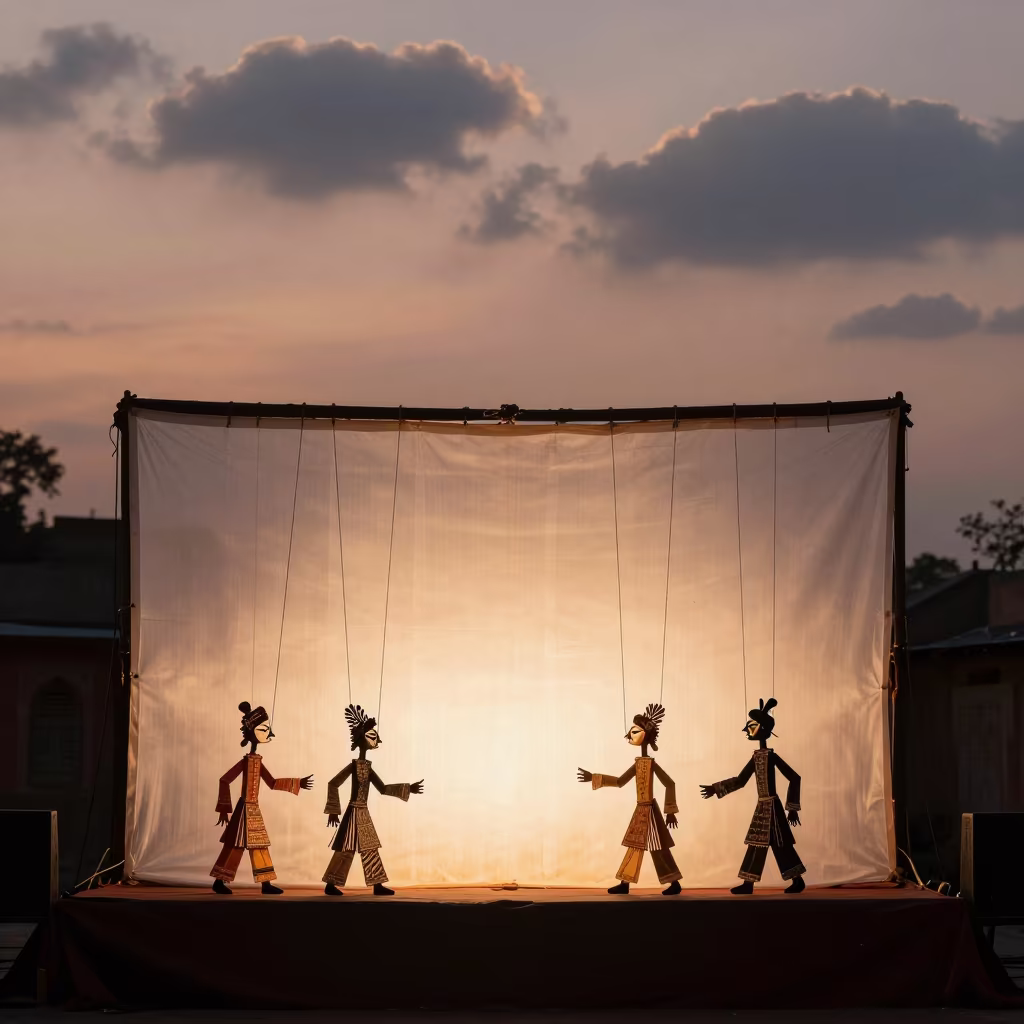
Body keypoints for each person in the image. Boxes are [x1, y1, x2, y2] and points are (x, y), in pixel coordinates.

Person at [699, 697, 806, 894]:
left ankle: (795, 879)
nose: (747, 729)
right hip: (763, 807)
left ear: (763, 729)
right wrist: (716, 788)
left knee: (779, 844)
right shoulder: (757, 757)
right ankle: (750, 883)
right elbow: (740, 780)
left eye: (752, 726)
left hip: (772, 807)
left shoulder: (771, 756)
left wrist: (792, 808)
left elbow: (794, 777)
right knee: (758, 843)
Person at [578, 703, 682, 895]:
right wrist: (593, 777)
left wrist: (670, 812)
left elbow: (670, 783)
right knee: (636, 845)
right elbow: (619, 781)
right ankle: (626, 883)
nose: (629, 735)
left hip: (650, 809)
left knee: (658, 847)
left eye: (635, 731)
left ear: (646, 735)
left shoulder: (650, 763)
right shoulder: (638, 763)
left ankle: (673, 882)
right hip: (641, 809)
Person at [210, 701, 313, 894]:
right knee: (236, 845)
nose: (270, 733)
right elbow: (224, 780)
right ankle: (220, 880)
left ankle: (265, 883)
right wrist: (224, 808)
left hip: (253, 809)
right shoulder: (246, 761)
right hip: (243, 809)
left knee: (259, 845)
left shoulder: (257, 761)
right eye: (265, 729)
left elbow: (272, 782)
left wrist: (297, 783)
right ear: (252, 732)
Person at [322, 704, 424, 895]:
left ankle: (376, 885)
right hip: (354, 811)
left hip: (363, 812)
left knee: (369, 849)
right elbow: (333, 783)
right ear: (361, 738)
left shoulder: (367, 767)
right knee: (347, 848)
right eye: (372, 735)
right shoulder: (354, 766)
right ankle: (331, 883)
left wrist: (408, 788)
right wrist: (334, 810)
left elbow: (383, 788)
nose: (377, 740)